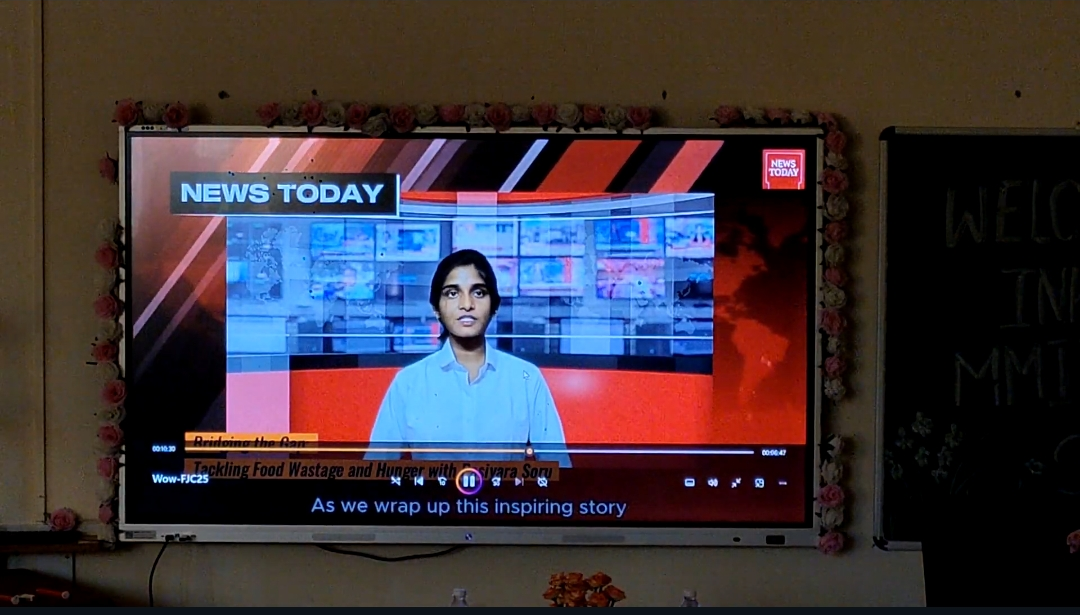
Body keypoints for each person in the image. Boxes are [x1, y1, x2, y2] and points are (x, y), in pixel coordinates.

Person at [366, 249, 571, 467]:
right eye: (452, 293)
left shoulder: (526, 378)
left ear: (494, 306)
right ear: (436, 308)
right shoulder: (409, 382)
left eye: (479, 293)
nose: (466, 304)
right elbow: (374, 471)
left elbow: (560, 469)